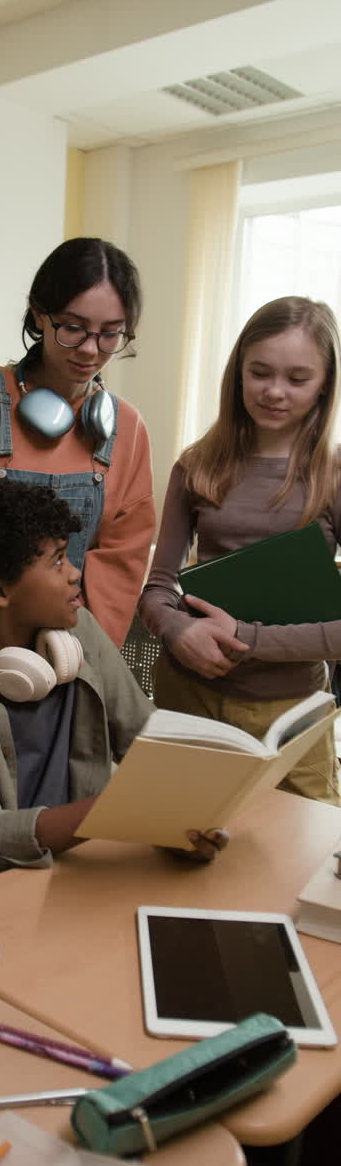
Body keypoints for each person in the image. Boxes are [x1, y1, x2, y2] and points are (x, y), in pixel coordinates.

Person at [0, 479, 224, 890]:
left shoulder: (78, 632)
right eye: (57, 562)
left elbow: (145, 737)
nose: (75, 574)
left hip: (77, 872)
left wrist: (178, 824)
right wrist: (117, 812)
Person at [140, 296, 341, 805]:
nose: (274, 392)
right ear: (238, 373)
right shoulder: (197, 464)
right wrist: (177, 628)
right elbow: (159, 586)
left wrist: (245, 638)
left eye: (297, 379)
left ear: (324, 386)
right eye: (260, 373)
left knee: (308, 859)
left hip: (292, 707)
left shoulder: (333, 476)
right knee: (181, 839)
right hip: (187, 694)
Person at [0, 237, 155, 648]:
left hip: (73, 649)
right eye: (73, 328)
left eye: (111, 334)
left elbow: (123, 561)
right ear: (40, 314)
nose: (91, 350)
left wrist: (77, 651)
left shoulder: (126, 427)